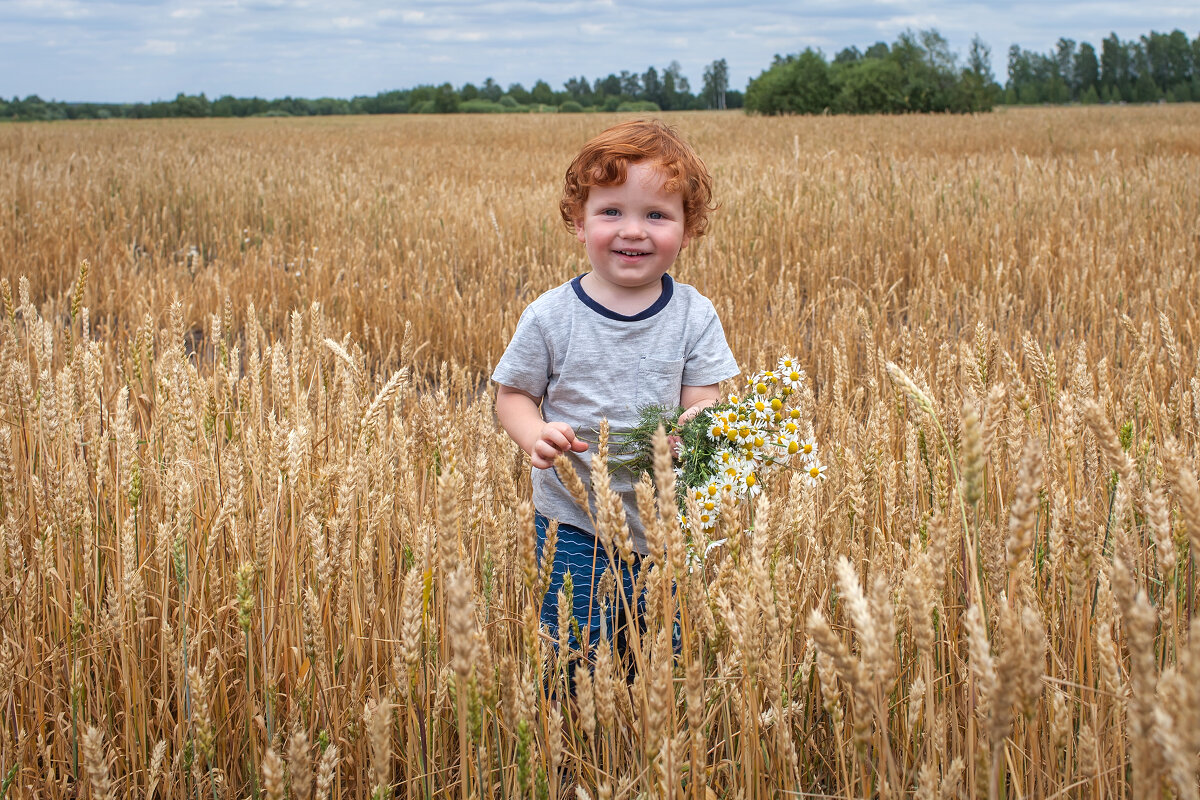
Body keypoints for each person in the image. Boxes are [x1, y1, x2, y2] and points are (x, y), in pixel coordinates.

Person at [491, 119, 739, 665]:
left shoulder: (694, 315)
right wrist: (534, 433)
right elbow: (512, 395)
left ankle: (644, 740)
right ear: (578, 223)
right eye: (612, 212)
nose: (633, 230)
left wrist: (695, 428)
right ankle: (578, 742)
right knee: (574, 653)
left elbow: (705, 398)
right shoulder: (551, 318)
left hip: (668, 524)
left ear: (688, 228)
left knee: (663, 655)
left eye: (656, 215)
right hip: (573, 522)